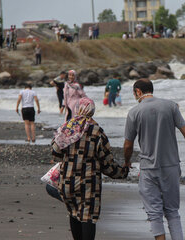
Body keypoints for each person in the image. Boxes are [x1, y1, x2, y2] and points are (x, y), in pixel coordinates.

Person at [123, 79, 185, 240]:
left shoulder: (134, 112)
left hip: (148, 168)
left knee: (154, 213)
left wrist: (127, 161)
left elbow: (127, 145)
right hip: (171, 166)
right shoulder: (170, 106)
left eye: (134, 93)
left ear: (138, 91)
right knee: (173, 212)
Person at [51, 97, 129, 240]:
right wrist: (122, 172)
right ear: (92, 111)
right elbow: (107, 163)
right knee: (87, 216)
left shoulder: (66, 127)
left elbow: (55, 151)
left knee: (74, 212)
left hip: (67, 181)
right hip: (88, 184)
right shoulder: (97, 131)